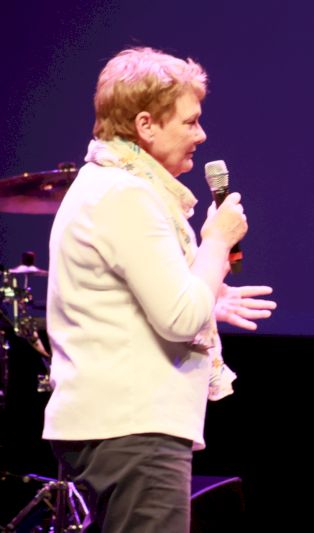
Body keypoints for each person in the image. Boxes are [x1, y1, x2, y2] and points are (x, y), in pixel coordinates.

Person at [43, 47, 276, 532]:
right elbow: (180, 317)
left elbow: (153, 298)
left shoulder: (112, 185)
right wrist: (217, 242)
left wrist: (209, 293)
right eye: (190, 122)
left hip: (118, 427)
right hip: (132, 429)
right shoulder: (126, 194)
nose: (201, 134)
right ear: (146, 126)